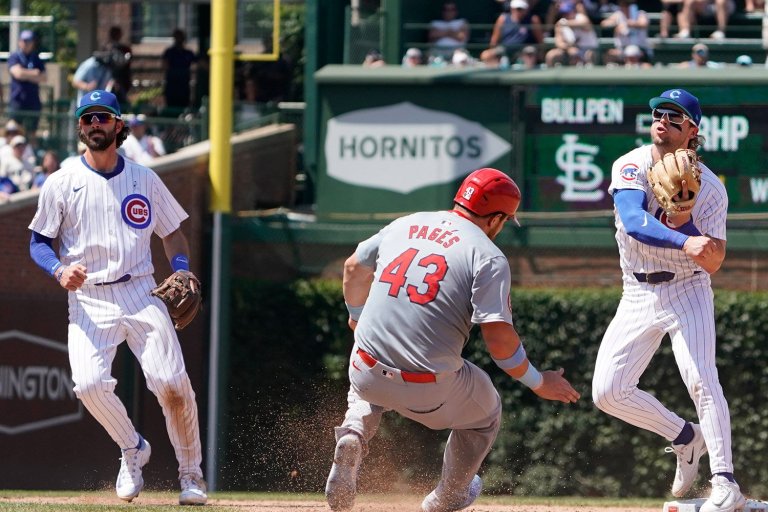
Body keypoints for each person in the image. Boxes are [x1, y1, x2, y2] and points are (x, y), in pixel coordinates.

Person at [324, 168, 580, 512]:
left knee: (367, 359)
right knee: (486, 412)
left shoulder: (406, 223)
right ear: (496, 219)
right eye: (505, 221)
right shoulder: (487, 255)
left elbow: (353, 267)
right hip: (426, 388)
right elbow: (499, 343)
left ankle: (354, 431)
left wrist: (356, 315)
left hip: (366, 370)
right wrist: (538, 381)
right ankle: (448, 496)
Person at [27, 90, 208, 506]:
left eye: (103, 117)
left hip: (141, 290)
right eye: (87, 118)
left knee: (171, 383)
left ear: (119, 125)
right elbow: (38, 242)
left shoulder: (145, 179)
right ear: (79, 127)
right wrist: (58, 270)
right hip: (88, 296)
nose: (95, 124)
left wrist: (181, 267)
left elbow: (172, 232)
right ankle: (132, 448)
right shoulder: (62, 182)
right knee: (89, 385)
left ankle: (191, 474)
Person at [592, 88, 745, 512]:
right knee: (608, 392)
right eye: (659, 113)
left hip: (687, 288)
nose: (663, 120)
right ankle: (685, 437)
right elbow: (633, 220)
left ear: (692, 130)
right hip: (637, 289)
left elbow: (713, 260)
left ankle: (725, 481)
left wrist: (687, 220)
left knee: (702, 380)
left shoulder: (710, 189)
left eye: (675, 117)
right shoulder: (631, 164)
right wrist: (684, 238)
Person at [7, 30, 47, 147]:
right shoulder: (15, 57)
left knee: (32, 132)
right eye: (24, 41)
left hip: (33, 100)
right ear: (19, 42)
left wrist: (25, 74)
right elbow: (17, 74)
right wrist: (34, 73)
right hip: (18, 100)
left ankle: (31, 154)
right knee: (14, 131)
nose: (26, 44)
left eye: (29, 41)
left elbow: (43, 77)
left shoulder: (36, 58)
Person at [480, 0, 543, 64]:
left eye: (522, 9)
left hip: (524, 49)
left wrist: (541, 53)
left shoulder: (533, 19)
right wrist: (492, 50)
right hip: (505, 49)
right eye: (518, 9)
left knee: (530, 54)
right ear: (512, 8)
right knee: (486, 55)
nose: (520, 11)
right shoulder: (503, 19)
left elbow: (540, 39)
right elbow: (495, 39)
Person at [545, 0, 599, 66]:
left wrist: (565, 24)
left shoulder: (580, 17)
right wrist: (568, 48)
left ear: (573, 11)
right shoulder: (560, 23)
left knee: (589, 54)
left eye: (567, 13)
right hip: (569, 51)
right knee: (551, 55)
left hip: (587, 49)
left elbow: (585, 23)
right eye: (563, 14)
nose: (565, 16)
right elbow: (559, 43)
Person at [600, 0, 651, 65]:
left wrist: (628, 24)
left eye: (627, 4)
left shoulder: (640, 13)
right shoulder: (618, 15)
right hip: (622, 50)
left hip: (640, 49)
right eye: (623, 5)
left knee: (632, 52)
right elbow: (604, 24)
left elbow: (644, 23)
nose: (624, 7)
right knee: (609, 55)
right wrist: (615, 25)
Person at [161, 29, 198, 114]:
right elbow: (164, 65)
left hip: (184, 85)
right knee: (171, 108)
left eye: (181, 37)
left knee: (183, 107)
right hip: (172, 85)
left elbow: (199, 63)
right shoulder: (169, 52)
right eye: (177, 37)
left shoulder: (188, 53)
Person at [102, 26, 132, 106]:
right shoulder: (106, 48)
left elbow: (125, 65)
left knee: (122, 105)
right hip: (108, 81)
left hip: (121, 81)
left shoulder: (124, 49)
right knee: (106, 103)